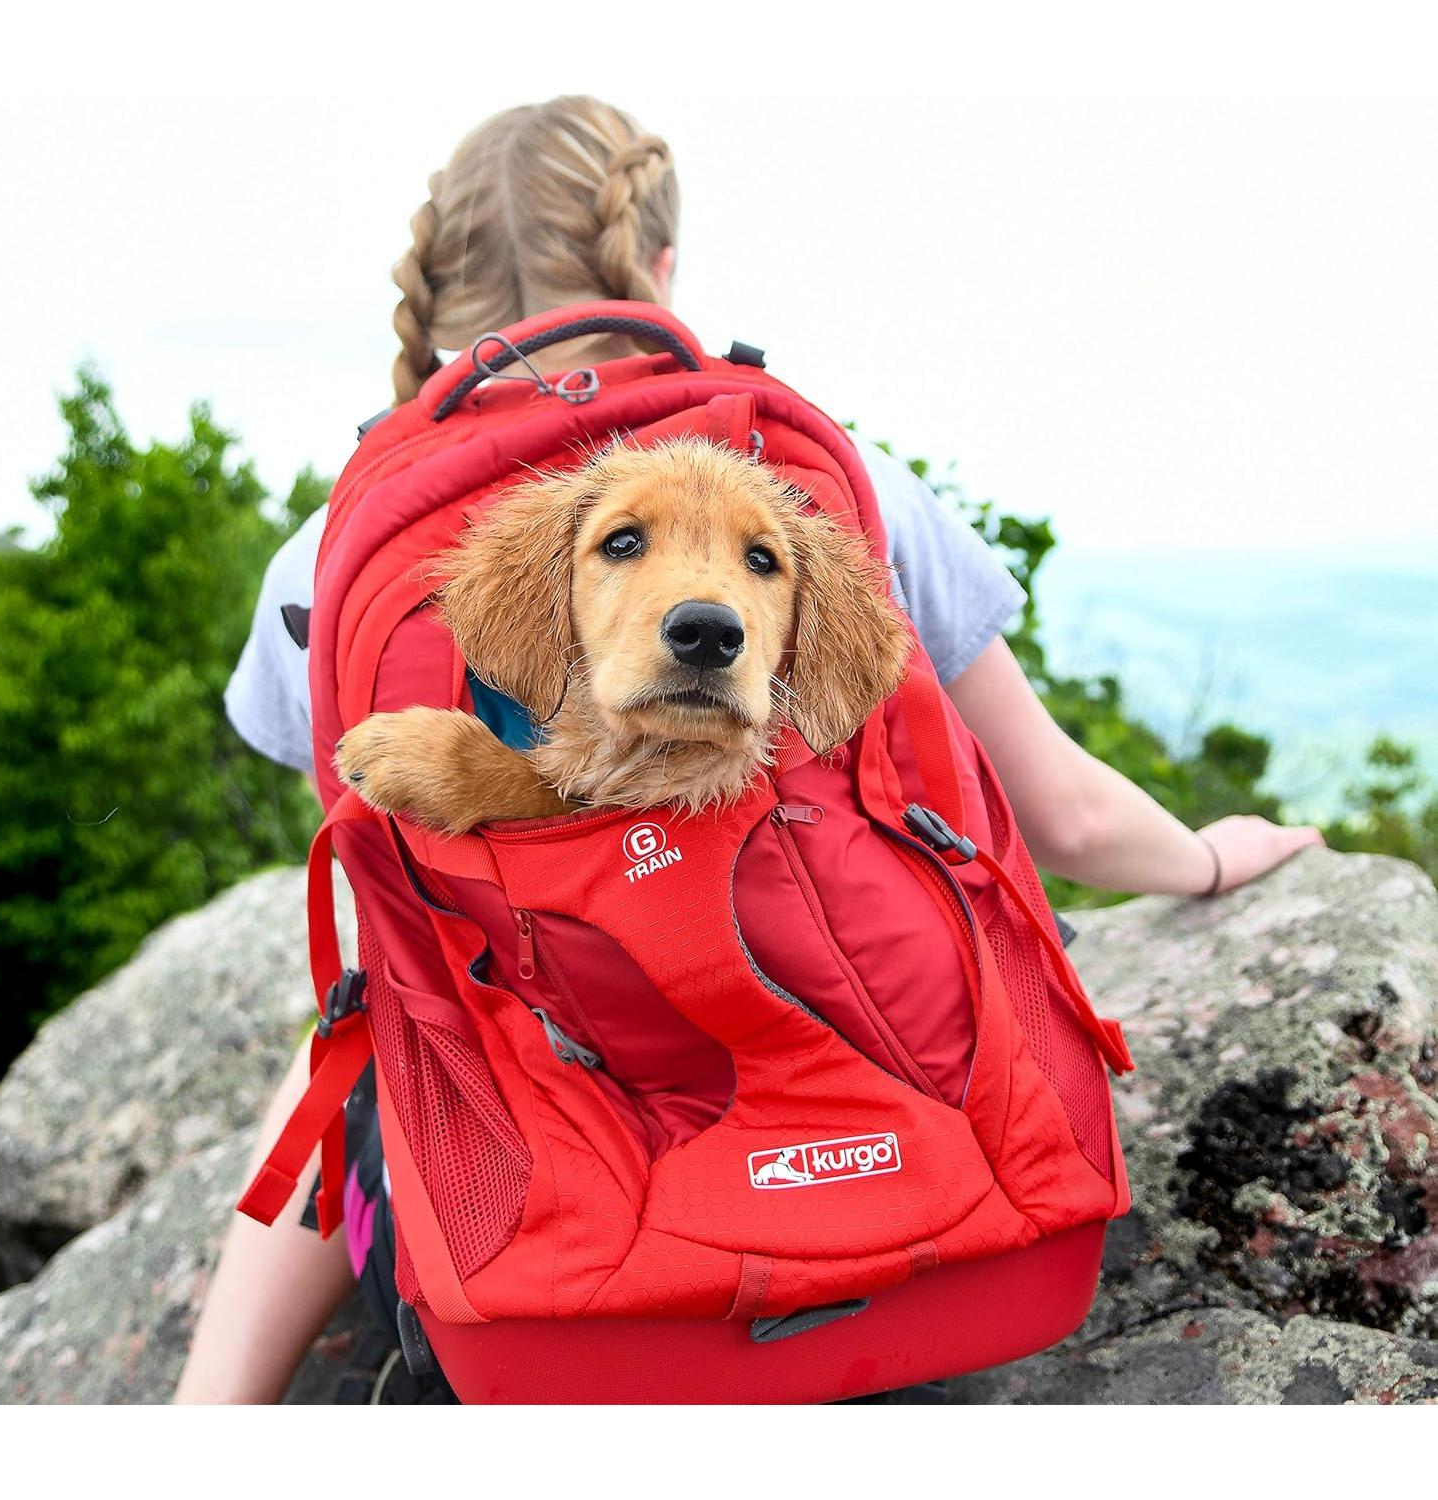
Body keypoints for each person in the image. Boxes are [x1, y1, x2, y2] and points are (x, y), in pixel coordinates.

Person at [174, 95, 1322, 1404]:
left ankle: (210, 1415)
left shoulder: (323, 556)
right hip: (910, 1214)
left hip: (555, 1291)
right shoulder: (833, 483)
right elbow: (1063, 816)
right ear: (660, 271)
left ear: (433, 306)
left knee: (372, 1001)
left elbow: (385, 947)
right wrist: (1214, 862)